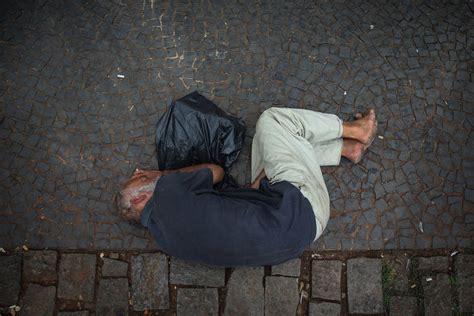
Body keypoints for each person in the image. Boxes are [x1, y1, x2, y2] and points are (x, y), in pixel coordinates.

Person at [116, 107, 377, 266]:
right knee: (272, 122)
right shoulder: (166, 192)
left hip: (301, 234)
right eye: (142, 179)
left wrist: (253, 194)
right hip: (301, 205)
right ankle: (356, 130)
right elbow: (216, 172)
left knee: (263, 149)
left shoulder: (166, 242)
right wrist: (161, 174)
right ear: (140, 200)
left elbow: (228, 228)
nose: (144, 173)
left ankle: (345, 149)